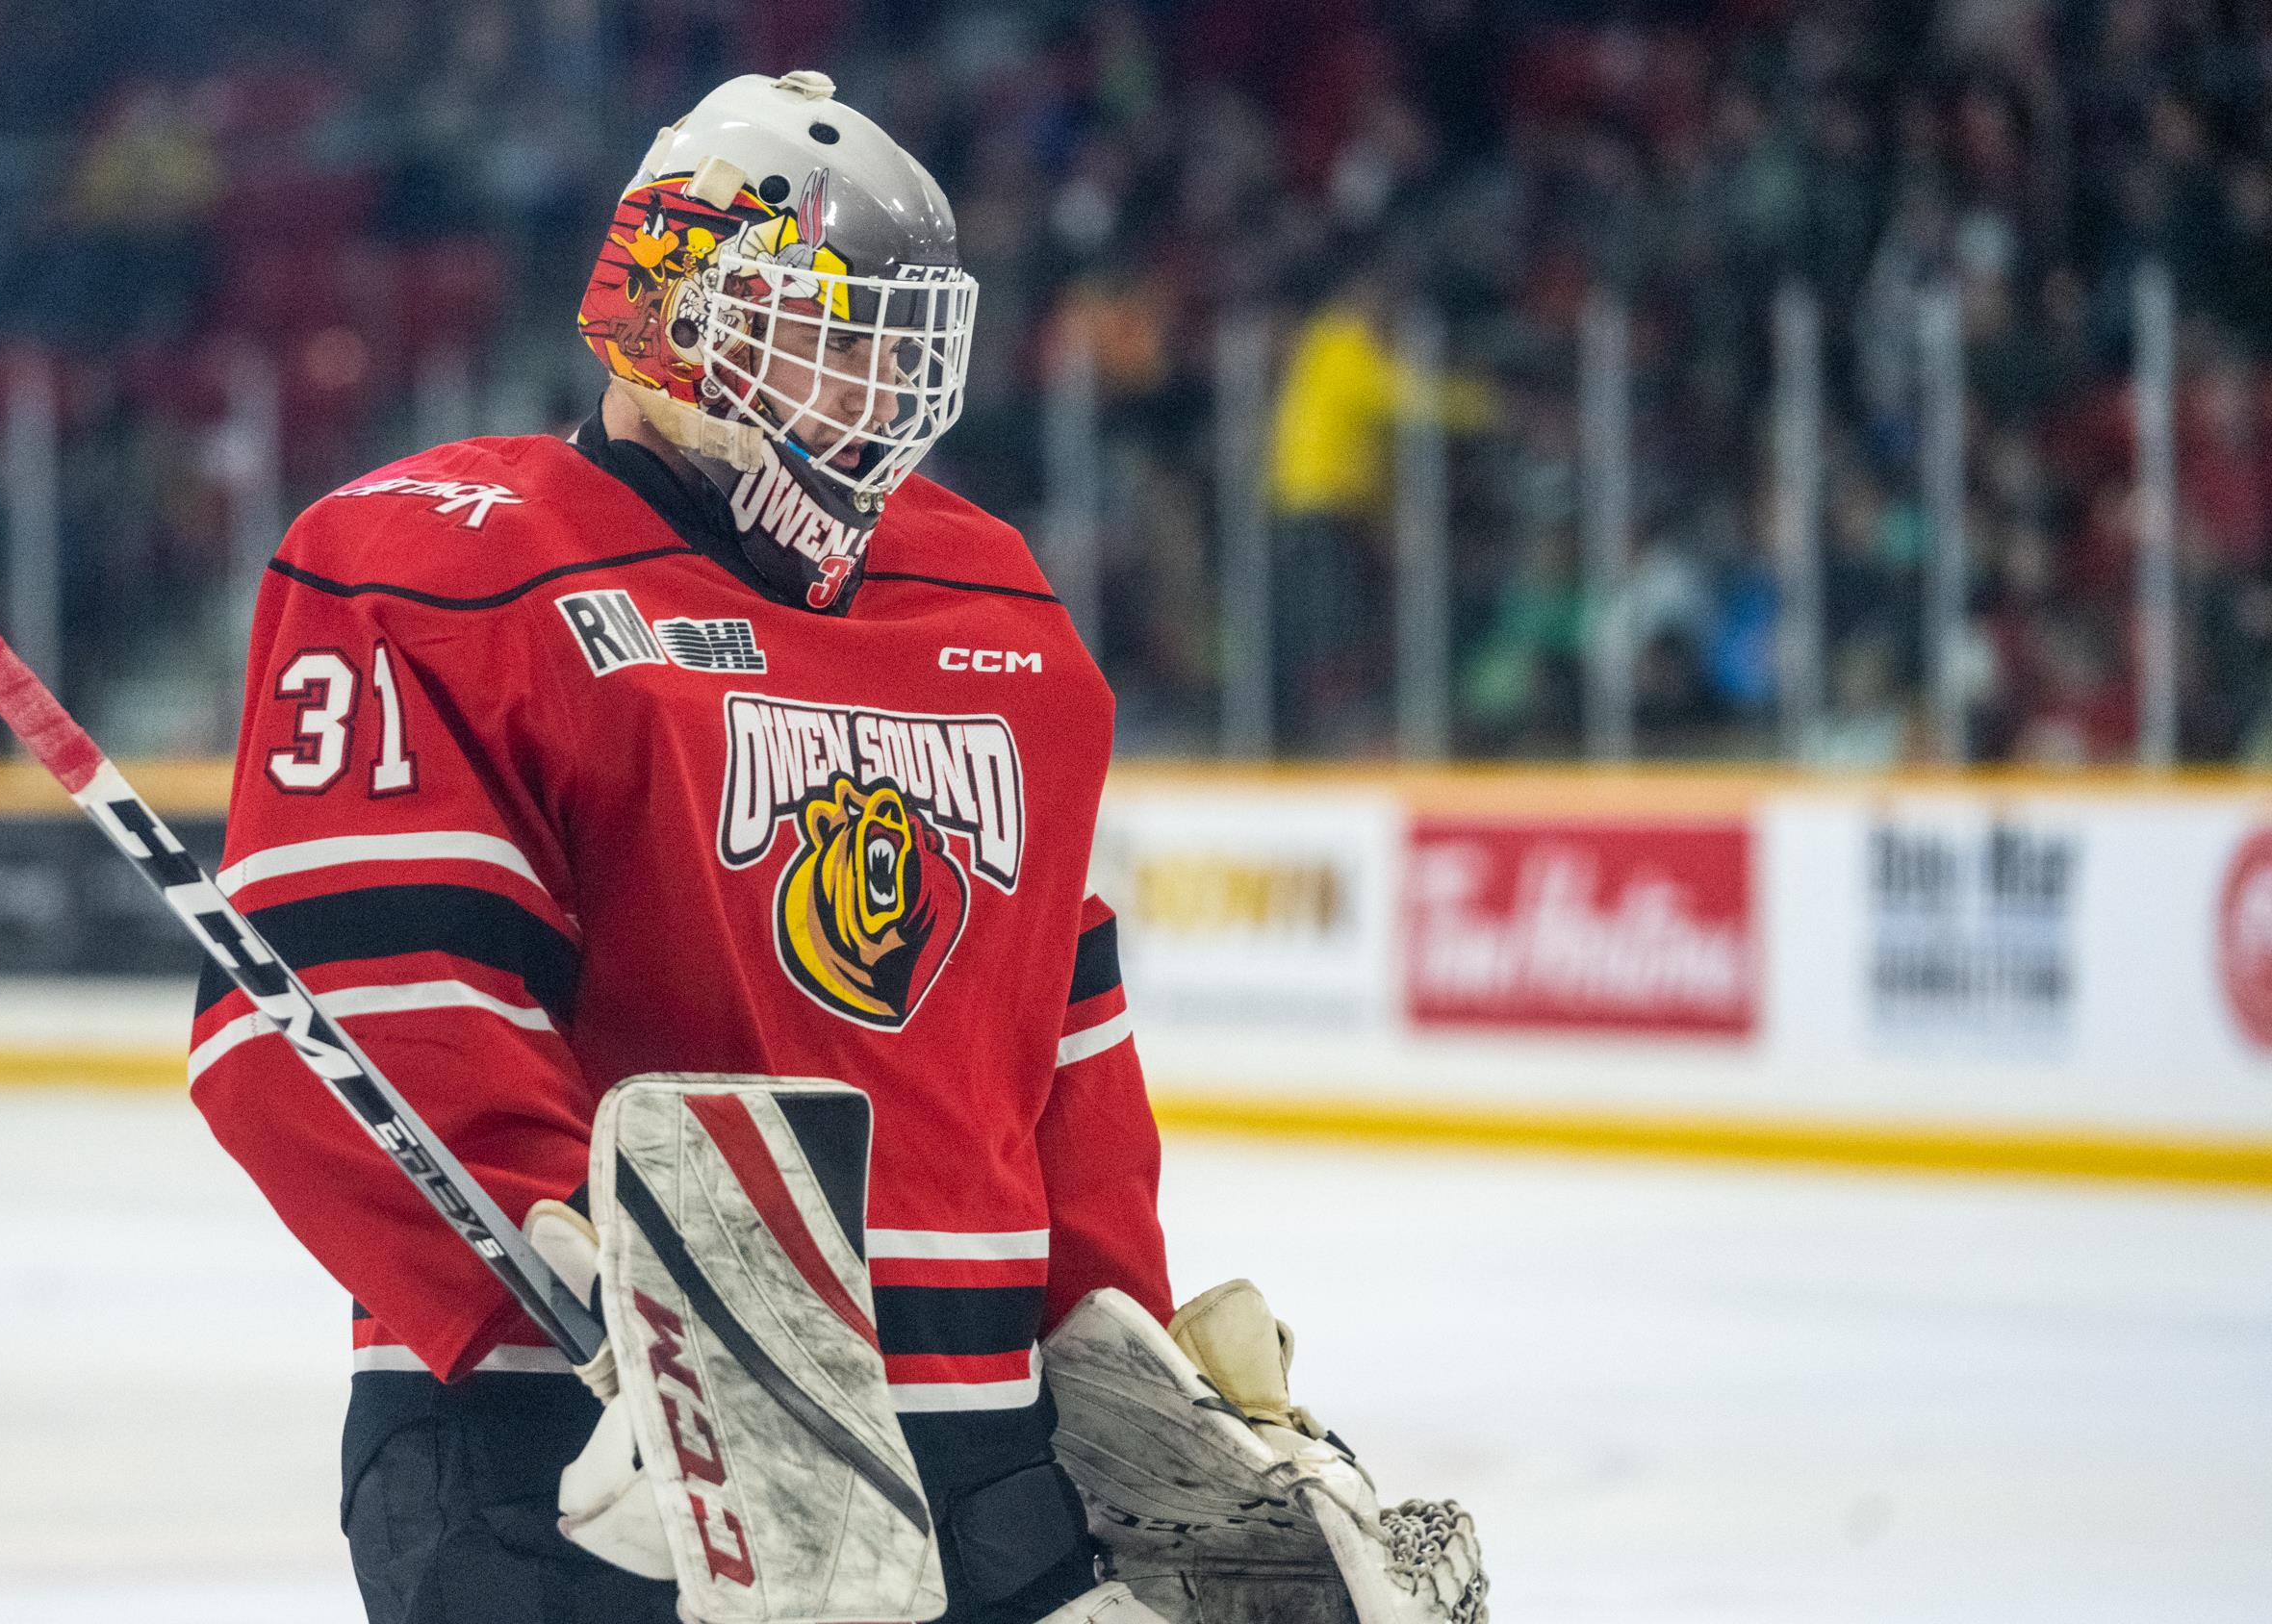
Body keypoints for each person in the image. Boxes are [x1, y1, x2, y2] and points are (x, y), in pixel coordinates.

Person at [188, 73, 1475, 1624]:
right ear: (667, 311)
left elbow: (1049, 1039)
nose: (870, 391)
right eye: (826, 333)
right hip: (593, 1454)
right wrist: (634, 1319)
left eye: (892, 345)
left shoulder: (990, 602)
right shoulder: (441, 565)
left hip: (973, 1442)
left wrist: (1121, 1355)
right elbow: (356, 999)